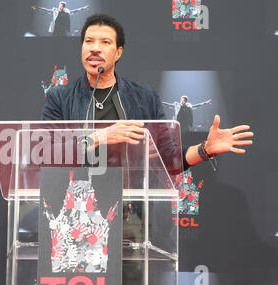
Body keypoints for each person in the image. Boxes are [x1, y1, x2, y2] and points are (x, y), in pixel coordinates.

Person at [41, 14, 253, 170]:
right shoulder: (60, 97)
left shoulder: (144, 97)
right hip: (75, 208)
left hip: (130, 211)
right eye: (88, 41)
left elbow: (168, 159)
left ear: (118, 52)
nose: (94, 48)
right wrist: (98, 137)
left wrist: (205, 148)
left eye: (105, 42)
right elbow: (46, 154)